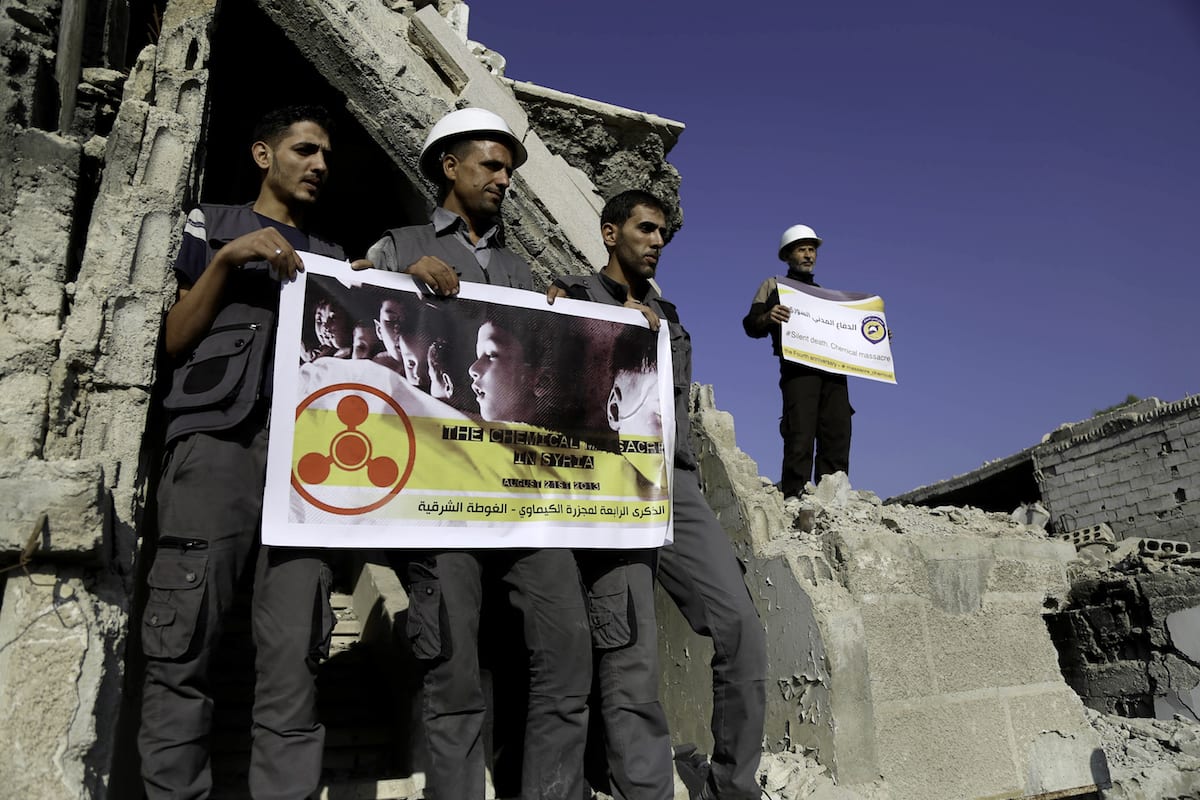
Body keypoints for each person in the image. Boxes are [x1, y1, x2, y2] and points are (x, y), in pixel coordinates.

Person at [361, 107, 592, 800]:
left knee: (566, 651)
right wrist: (397, 281)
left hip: (523, 497)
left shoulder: (523, 271)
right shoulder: (396, 246)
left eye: (510, 170)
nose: (504, 179)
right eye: (492, 165)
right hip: (439, 500)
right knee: (454, 671)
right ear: (448, 166)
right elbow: (338, 311)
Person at [140, 105, 344, 800]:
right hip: (215, 448)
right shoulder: (209, 224)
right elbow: (171, 341)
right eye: (305, 150)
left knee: (294, 659)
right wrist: (229, 260)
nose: (320, 165)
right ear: (264, 155)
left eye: (325, 155)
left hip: (308, 472)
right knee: (180, 642)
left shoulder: (337, 259)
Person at [551, 190, 768, 800]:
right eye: (645, 229)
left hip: (674, 486)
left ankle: (732, 787)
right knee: (630, 652)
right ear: (609, 232)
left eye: (664, 234)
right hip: (605, 490)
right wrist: (608, 328)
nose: (656, 242)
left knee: (741, 629)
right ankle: (645, 791)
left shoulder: (671, 319)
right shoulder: (568, 297)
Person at [742, 224, 852, 497]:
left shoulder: (825, 296)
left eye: (812, 250)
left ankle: (833, 491)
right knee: (800, 430)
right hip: (798, 371)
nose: (808, 255)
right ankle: (795, 492)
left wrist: (876, 339)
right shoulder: (773, 286)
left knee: (837, 428)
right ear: (787, 255)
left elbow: (848, 335)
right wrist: (768, 317)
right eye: (802, 249)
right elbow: (750, 324)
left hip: (832, 371)